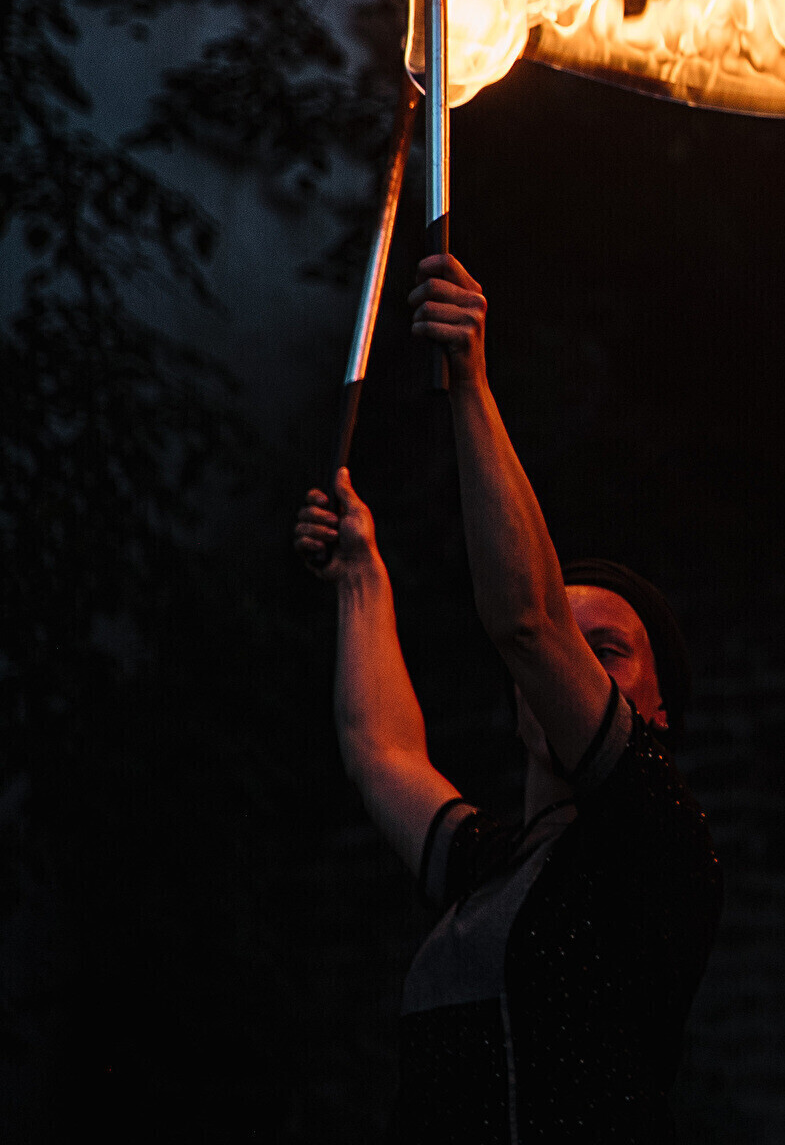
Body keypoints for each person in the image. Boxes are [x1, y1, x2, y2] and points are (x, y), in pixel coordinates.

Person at [294, 254, 721, 1141]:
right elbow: (381, 752)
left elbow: (527, 620)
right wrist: (360, 576)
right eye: (571, 649)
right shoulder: (490, 867)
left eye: (608, 652)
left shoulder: (654, 844)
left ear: (658, 715)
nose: (575, 666)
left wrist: (470, 386)